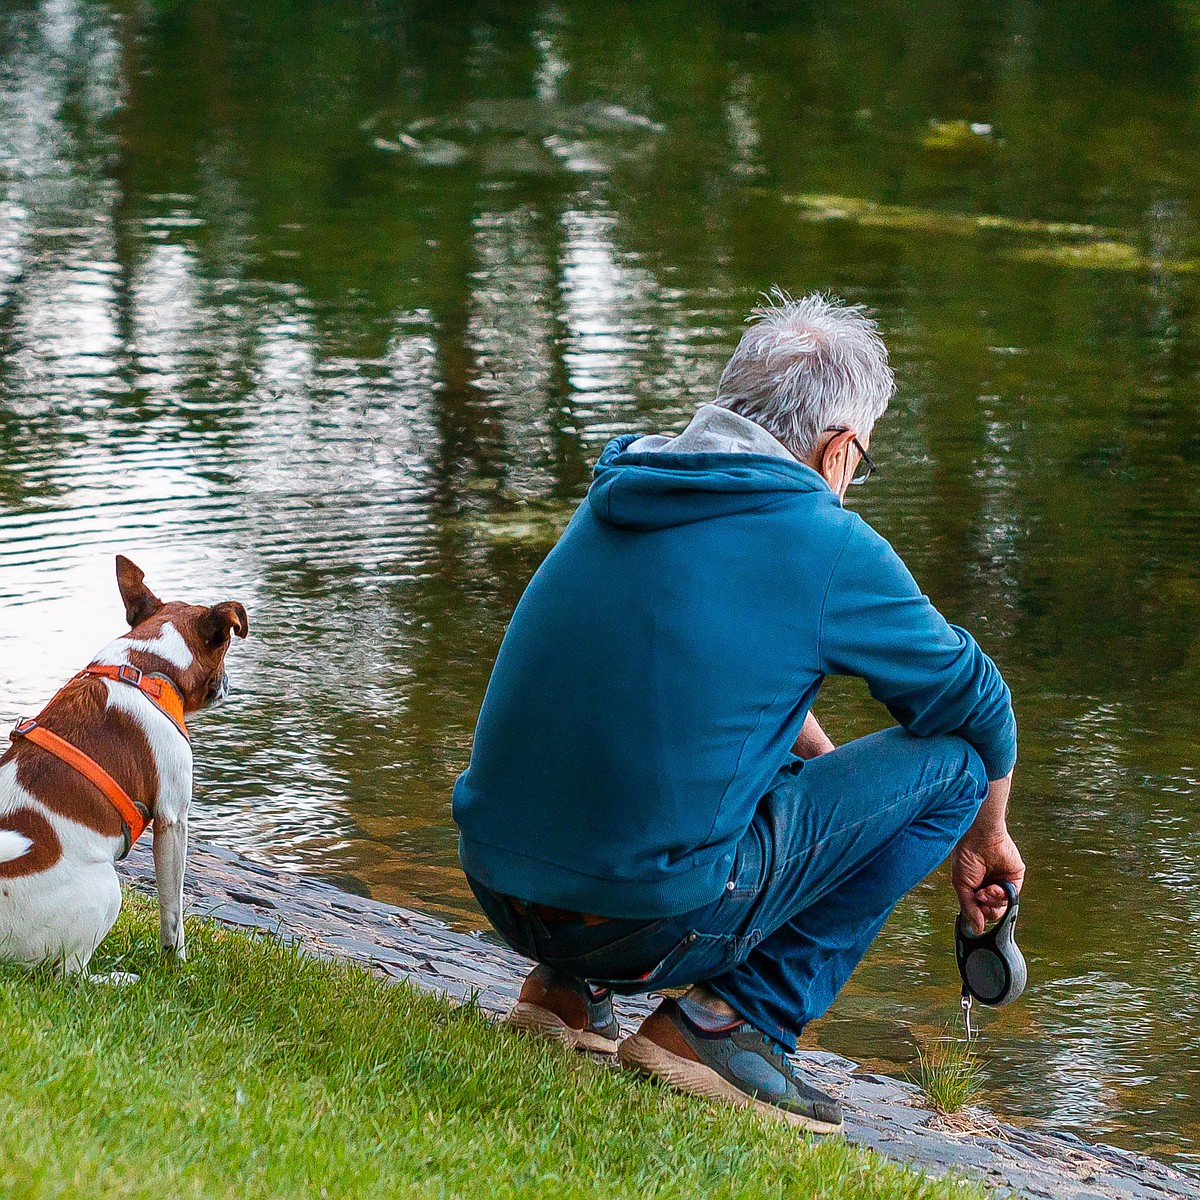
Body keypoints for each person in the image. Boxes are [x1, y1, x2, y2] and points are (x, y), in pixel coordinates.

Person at [452, 291, 1023, 1133]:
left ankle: (569, 993)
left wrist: (824, 780)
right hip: (645, 916)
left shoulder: (632, 484)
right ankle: (728, 1023)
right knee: (956, 772)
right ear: (838, 449)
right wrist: (988, 835)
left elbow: (695, 676)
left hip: (506, 889)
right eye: (860, 466)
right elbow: (979, 703)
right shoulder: (818, 539)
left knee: (673, 752)